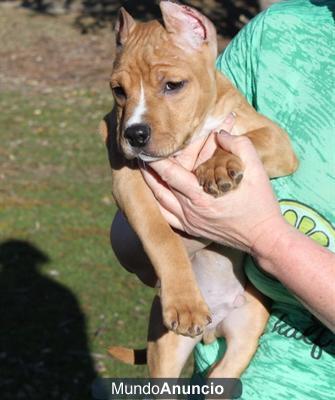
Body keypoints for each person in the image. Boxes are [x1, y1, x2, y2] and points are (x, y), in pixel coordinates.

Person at [111, 0, 335, 398]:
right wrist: (175, 256)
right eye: (119, 92)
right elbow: (131, 249)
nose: (135, 117)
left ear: (200, 31)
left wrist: (265, 237)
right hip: (199, 290)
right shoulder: (276, 34)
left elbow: (281, 153)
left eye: (172, 86)